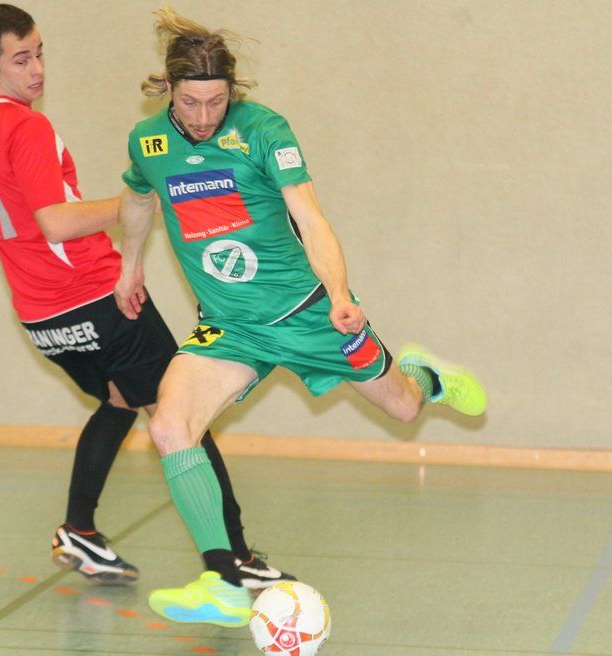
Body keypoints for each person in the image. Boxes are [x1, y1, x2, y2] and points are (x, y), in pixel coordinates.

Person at [0, 3, 292, 590]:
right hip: (99, 300)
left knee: (121, 400)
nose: (37, 69)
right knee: (182, 417)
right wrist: (144, 198)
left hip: (42, 320)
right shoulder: (25, 127)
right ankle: (233, 561)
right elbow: (55, 222)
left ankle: (79, 529)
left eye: (40, 53)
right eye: (20, 59)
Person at [115, 6, 488, 627]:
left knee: (402, 408)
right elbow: (137, 198)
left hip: (305, 311)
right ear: (169, 89)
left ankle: (427, 376)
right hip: (230, 325)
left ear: (232, 91)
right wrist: (130, 267)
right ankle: (224, 583)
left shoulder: (264, 130)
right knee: (170, 426)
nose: (204, 116)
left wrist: (339, 293)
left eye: (216, 101)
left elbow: (311, 219)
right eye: (191, 102)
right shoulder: (148, 140)